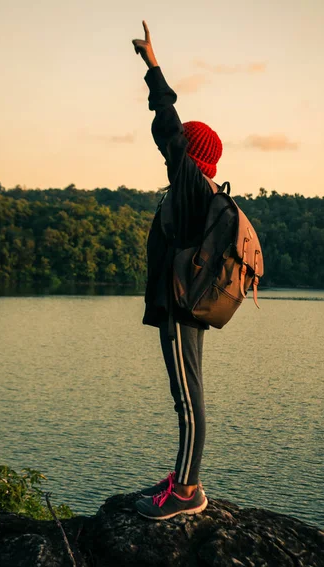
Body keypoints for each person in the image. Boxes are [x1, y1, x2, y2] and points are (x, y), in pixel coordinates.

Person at [132, 21, 223, 520]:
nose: (173, 151)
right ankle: (183, 478)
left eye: (181, 148)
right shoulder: (195, 194)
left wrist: (153, 67)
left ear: (192, 156)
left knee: (187, 399)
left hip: (181, 307)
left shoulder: (192, 187)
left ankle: (187, 492)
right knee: (188, 393)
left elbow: (167, 123)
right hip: (185, 305)